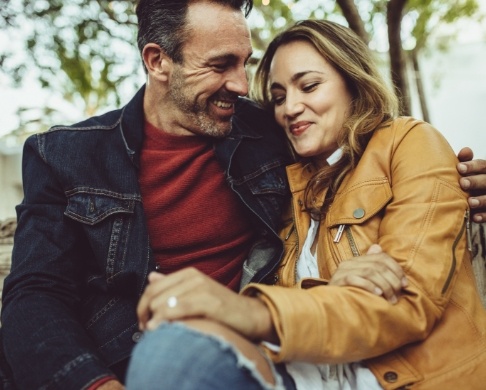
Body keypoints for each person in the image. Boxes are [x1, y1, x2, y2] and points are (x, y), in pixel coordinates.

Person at [0, 0, 484, 388]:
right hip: (134, 358)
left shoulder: (271, 130)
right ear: (158, 60)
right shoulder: (64, 155)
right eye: (219, 65)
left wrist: (464, 183)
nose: (240, 85)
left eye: (244, 64)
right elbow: (34, 295)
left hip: (268, 347)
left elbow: (374, 154)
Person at [127, 19, 486, 390]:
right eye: (279, 97)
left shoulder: (408, 143)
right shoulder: (294, 185)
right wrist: (331, 289)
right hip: (303, 376)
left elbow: (409, 300)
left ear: (353, 80)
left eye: (309, 86)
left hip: (399, 377)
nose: (290, 109)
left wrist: (251, 311)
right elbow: (306, 306)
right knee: (173, 347)